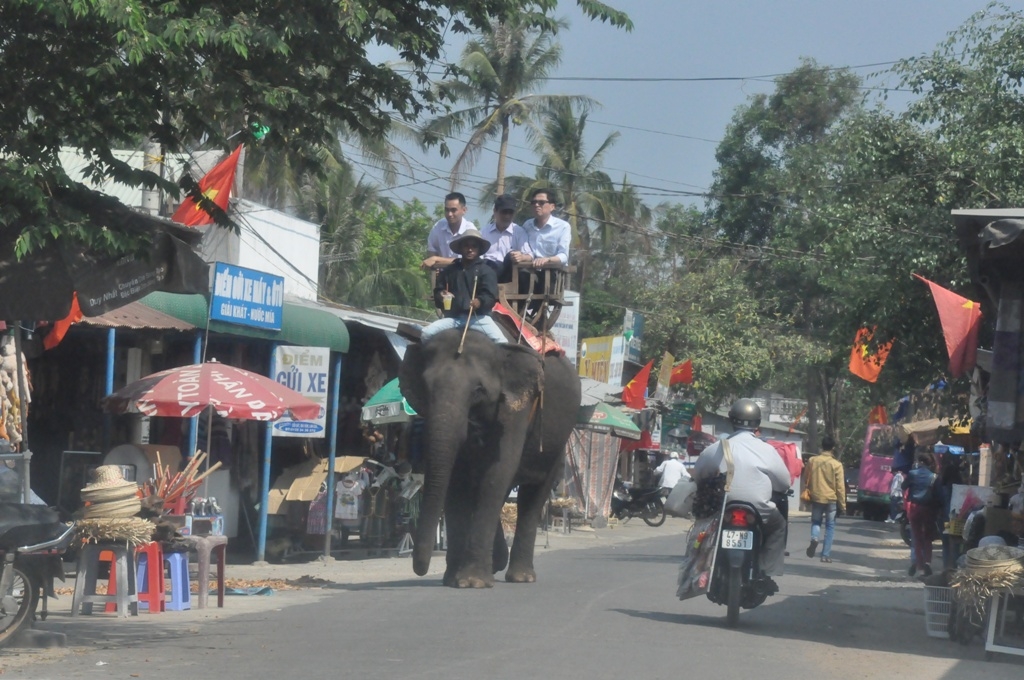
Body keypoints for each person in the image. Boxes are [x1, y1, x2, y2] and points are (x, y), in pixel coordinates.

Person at [692, 398, 791, 586]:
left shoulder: (715, 449)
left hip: (722, 511)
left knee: (705, 534)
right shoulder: (767, 450)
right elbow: (784, 483)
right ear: (758, 423)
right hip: (759, 511)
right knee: (778, 527)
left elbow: (698, 476)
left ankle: (705, 569)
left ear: (731, 420)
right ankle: (767, 570)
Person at [419, 229, 507, 344]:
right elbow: (438, 290)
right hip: (453, 318)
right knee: (426, 333)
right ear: (460, 248)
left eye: (474, 246)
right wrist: (441, 294)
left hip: (478, 318)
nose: (470, 249)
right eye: (466, 246)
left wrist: (479, 302)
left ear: (479, 249)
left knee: (502, 342)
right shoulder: (450, 270)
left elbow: (490, 296)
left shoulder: (486, 271)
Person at [804, 435, 846, 564]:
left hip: (817, 497)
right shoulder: (837, 465)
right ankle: (825, 555)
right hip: (831, 500)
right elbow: (840, 487)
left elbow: (806, 477)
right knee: (830, 526)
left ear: (822, 446)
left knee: (816, 522)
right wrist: (843, 505)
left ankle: (814, 538)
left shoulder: (812, 461)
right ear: (833, 448)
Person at [902, 450, 939, 578]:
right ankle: (927, 562)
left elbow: (903, 486)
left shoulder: (912, 474)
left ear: (919, 462)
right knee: (928, 538)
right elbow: (937, 494)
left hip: (914, 508)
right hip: (928, 509)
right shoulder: (934, 476)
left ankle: (920, 567)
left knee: (917, 538)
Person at [481, 194, 533, 282]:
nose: (507, 216)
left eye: (510, 212)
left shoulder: (519, 232)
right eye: (504, 212)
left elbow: (530, 256)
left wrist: (521, 257)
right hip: (487, 274)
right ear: (495, 211)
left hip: (509, 275)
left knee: (510, 257)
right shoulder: (484, 232)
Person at [421, 192, 475, 270]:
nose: (449, 214)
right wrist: (434, 258)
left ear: (464, 210)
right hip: (443, 276)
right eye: (447, 210)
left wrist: (437, 259)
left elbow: (469, 260)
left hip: (464, 276)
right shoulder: (438, 226)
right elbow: (431, 252)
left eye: (453, 210)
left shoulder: (470, 230)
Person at [521, 188, 570, 268]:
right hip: (530, 271)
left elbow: (564, 255)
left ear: (552, 207)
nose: (536, 205)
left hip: (552, 272)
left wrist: (547, 260)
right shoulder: (527, 225)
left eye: (541, 202)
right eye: (534, 202)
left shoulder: (563, 226)